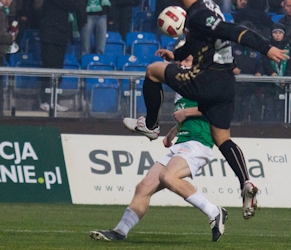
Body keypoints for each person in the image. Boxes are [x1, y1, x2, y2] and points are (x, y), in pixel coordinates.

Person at [122, 0, 288, 220]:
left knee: (153, 71)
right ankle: (245, 182)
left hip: (206, 79)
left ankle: (152, 125)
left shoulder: (199, 14)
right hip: (225, 84)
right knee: (223, 138)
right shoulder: (207, 4)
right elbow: (197, 41)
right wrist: (175, 55)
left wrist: (265, 48)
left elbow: (229, 30)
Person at [91, 93, 228, 242]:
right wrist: (174, 131)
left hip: (199, 142)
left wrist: (186, 112)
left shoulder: (201, 77)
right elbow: (189, 115)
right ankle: (120, 231)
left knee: (169, 177)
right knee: (144, 187)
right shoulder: (183, 83)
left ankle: (214, 211)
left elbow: (218, 107)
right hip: (183, 141)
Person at [38, 0, 80, 112]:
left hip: (59, 34)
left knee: (57, 69)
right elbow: (74, 5)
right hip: (52, 34)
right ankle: (45, 100)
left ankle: (54, 100)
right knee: (49, 69)